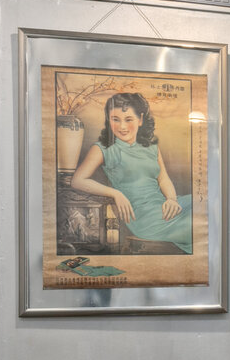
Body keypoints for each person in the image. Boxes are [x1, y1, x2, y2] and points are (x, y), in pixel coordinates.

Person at [69, 92, 193, 253]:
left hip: (164, 205)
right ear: (108, 119)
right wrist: (115, 193)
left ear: (140, 119)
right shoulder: (103, 148)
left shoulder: (152, 146)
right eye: (115, 119)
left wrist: (171, 199)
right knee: (197, 223)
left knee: (205, 204)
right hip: (144, 217)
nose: (122, 126)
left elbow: (163, 178)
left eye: (128, 119)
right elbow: (77, 180)